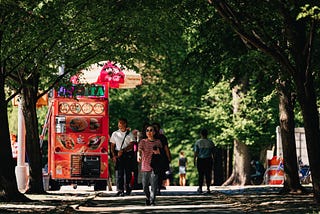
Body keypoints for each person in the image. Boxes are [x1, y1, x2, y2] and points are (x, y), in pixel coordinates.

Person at [137, 125, 162, 206]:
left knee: (154, 185)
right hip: (145, 166)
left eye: (151, 130)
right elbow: (139, 150)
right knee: (145, 186)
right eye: (147, 130)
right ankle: (148, 197)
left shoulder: (158, 142)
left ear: (154, 132)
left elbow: (161, 153)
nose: (149, 132)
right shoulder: (143, 141)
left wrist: (158, 152)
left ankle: (152, 200)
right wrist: (139, 156)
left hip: (155, 166)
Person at [110, 118, 136, 196]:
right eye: (119, 123)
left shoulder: (129, 134)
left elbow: (132, 145)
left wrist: (123, 150)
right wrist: (114, 155)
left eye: (121, 123)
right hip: (118, 155)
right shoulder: (115, 133)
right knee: (119, 173)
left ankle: (128, 188)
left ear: (125, 124)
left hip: (127, 155)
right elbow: (112, 145)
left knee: (128, 172)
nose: (120, 125)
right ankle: (120, 189)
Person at [193, 128, 215, 194]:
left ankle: (200, 188)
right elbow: (213, 152)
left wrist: (194, 160)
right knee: (208, 174)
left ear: (201, 134)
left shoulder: (198, 142)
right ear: (207, 134)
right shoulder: (210, 142)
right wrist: (214, 160)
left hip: (200, 160)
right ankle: (208, 188)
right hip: (208, 159)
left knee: (201, 174)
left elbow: (196, 152)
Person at [152, 122, 171, 193]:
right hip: (152, 158)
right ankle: (154, 186)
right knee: (153, 173)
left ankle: (158, 187)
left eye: (156, 128)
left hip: (161, 157)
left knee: (160, 173)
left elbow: (166, 148)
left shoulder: (162, 137)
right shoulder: (149, 137)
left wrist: (168, 157)